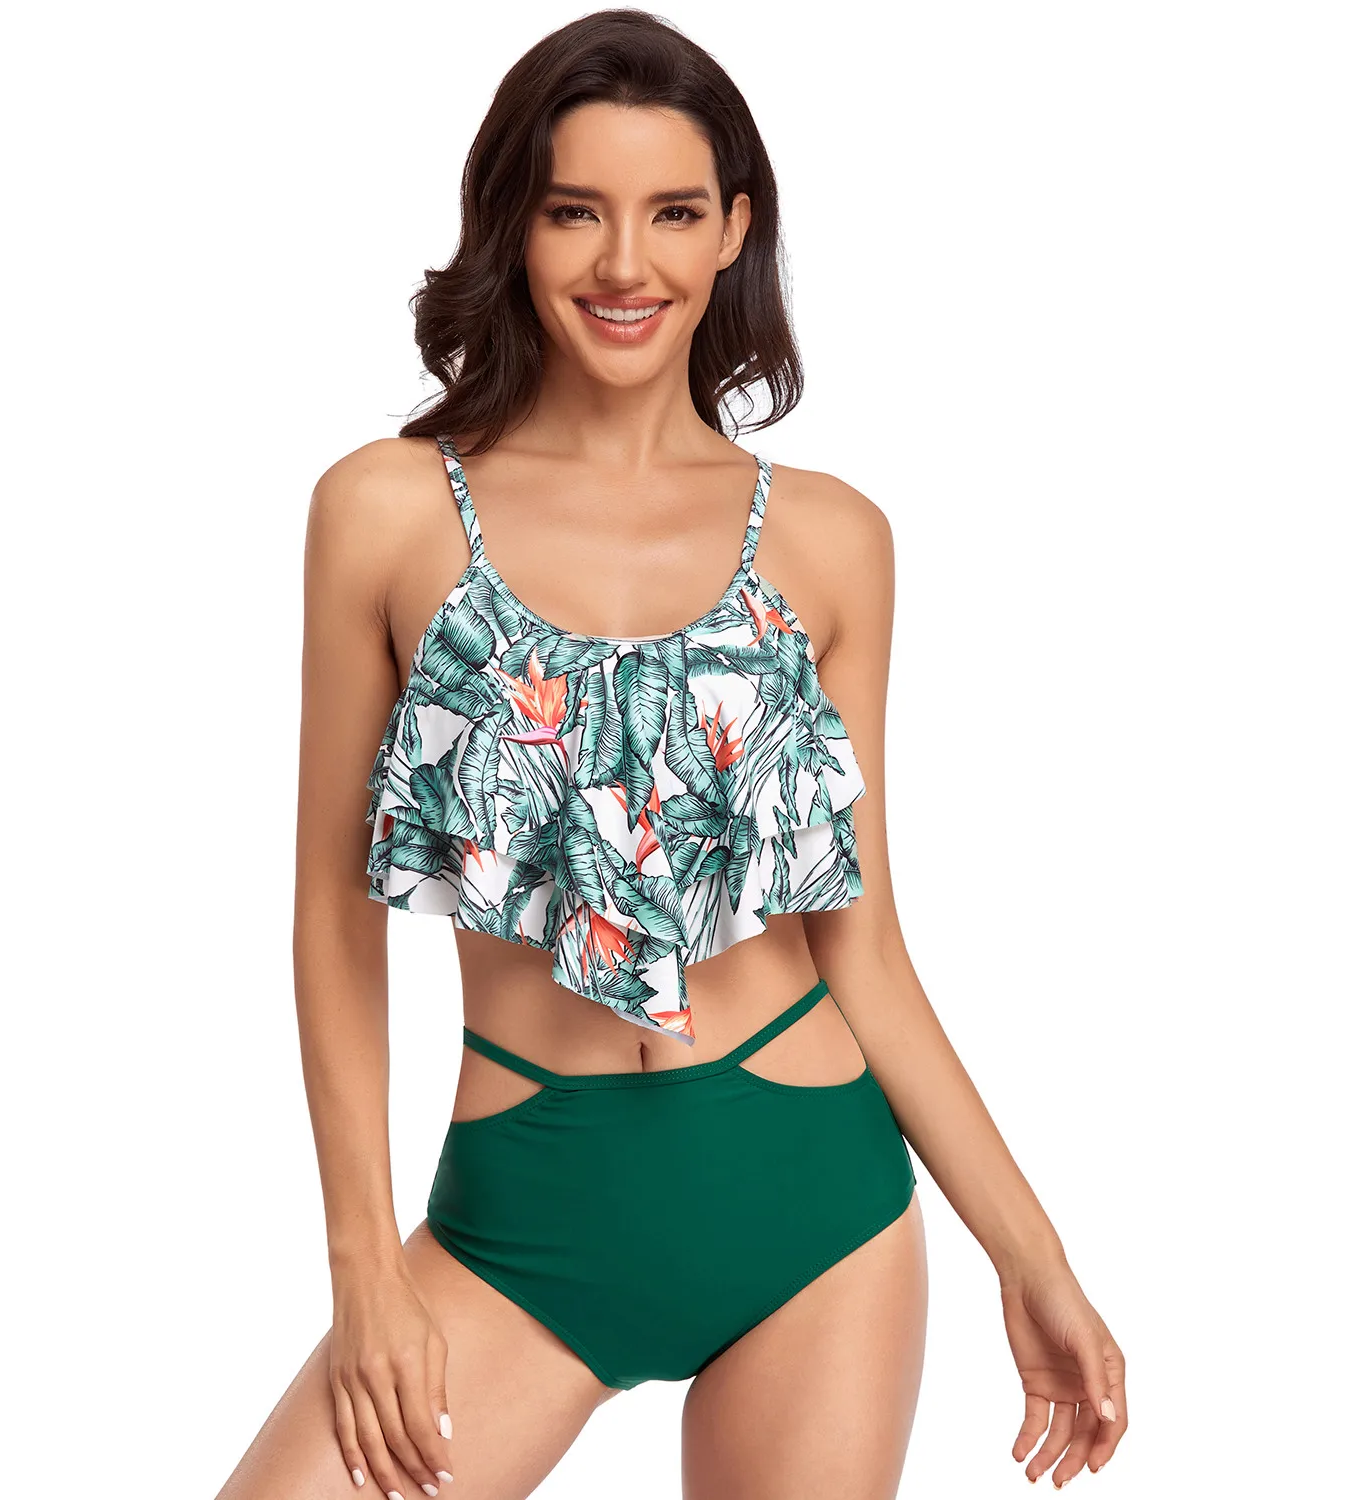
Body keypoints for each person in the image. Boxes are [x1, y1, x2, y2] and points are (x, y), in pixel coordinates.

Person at [216, 10, 1128, 1498]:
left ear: (733, 233)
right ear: (513, 224)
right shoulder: (385, 510)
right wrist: (363, 1270)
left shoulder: (834, 539)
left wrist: (1034, 1259)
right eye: (575, 210)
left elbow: (865, 944)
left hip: (814, 1212)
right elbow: (332, 917)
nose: (624, 264)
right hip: (522, 1216)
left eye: (675, 213)